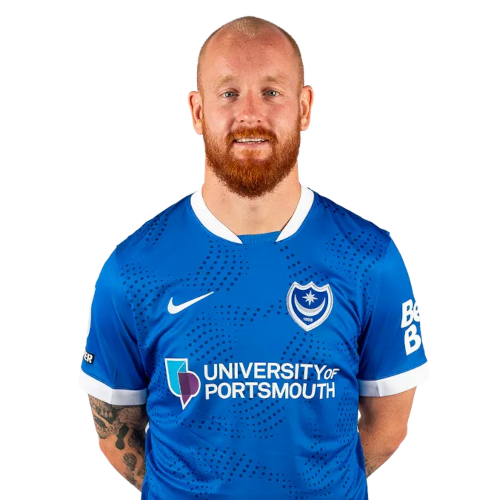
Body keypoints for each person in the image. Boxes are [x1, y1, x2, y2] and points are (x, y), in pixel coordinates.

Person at [78, 15, 430, 499]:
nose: (249, 114)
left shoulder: (370, 259)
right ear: (196, 110)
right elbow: (114, 432)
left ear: (305, 108)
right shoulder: (132, 269)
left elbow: (387, 429)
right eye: (228, 93)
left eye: (271, 92)